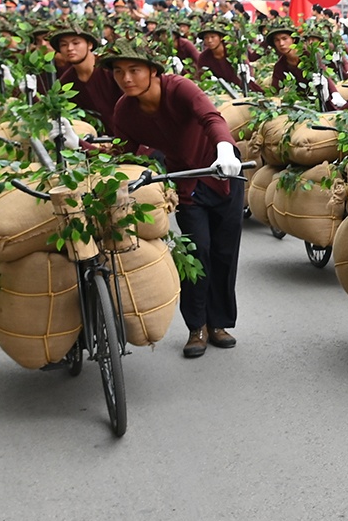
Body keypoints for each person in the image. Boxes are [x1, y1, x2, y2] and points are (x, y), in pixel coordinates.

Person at [103, 36, 245, 359]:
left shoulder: (180, 88)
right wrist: (82, 149)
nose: (126, 78)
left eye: (134, 70)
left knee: (224, 252)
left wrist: (225, 148)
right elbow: (123, 152)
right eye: (119, 72)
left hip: (224, 171)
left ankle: (219, 323)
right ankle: (196, 327)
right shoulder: (124, 111)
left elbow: (212, 118)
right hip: (185, 183)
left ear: (154, 71)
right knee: (197, 251)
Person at [52, 24, 122, 136]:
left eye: (76, 43)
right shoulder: (66, 82)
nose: (70, 48)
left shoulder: (111, 70)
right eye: (64, 44)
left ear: (89, 45)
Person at [195, 25, 247, 92]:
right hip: (221, 91)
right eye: (206, 38)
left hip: (242, 86)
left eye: (213, 37)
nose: (209, 40)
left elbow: (246, 65)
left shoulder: (233, 49)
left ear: (221, 38)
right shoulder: (204, 57)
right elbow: (202, 78)